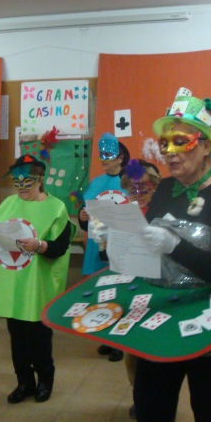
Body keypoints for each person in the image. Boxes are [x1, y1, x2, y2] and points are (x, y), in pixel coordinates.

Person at [131, 88, 211, 422]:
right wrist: (116, 239)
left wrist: (175, 245)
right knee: (151, 409)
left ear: (205, 145)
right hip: (163, 316)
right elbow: (148, 249)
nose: (169, 153)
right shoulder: (165, 189)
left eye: (180, 142)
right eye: (165, 144)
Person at [0, 154, 76, 404]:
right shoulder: (7, 205)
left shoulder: (56, 208)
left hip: (37, 286)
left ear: (40, 179)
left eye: (27, 181)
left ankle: (45, 379)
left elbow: (61, 246)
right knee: (17, 335)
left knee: (38, 336)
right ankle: (24, 381)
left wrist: (40, 245)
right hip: (13, 283)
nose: (21, 187)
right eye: (17, 181)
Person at [77, 132, 130, 362]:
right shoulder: (95, 183)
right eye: (101, 155)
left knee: (119, 290)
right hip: (96, 244)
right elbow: (85, 218)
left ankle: (119, 341)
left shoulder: (130, 182)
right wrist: (83, 216)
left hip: (120, 245)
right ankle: (107, 337)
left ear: (120, 157)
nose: (103, 159)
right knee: (102, 291)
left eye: (108, 155)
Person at [117, 159, 161, 420]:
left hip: (158, 289)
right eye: (132, 188)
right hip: (130, 289)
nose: (138, 192)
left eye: (144, 187)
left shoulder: (164, 210)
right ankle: (139, 396)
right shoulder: (123, 214)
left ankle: (157, 400)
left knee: (153, 348)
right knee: (131, 351)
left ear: (154, 185)